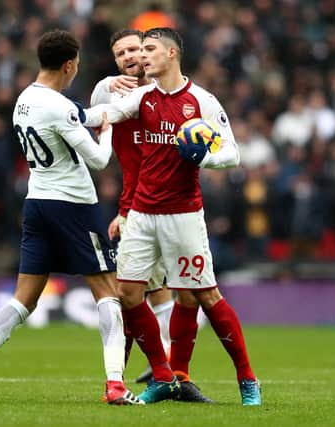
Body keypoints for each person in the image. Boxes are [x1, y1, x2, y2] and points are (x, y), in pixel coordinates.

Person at [0, 29, 143, 406]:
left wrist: (99, 113)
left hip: (36, 202)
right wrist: (108, 130)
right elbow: (100, 160)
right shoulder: (60, 104)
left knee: (24, 298)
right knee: (107, 290)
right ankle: (116, 384)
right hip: (73, 204)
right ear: (70, 65)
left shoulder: (24, 100)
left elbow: (74, 118)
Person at [84, 27, 262, 406]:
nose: (142, 56)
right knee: (129, 294)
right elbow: (106, 113)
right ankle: (164, 376)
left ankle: (247, 378)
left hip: (183, 214)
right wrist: (65, 115)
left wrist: (205, 156)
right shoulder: (143, 97)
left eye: (149, 49)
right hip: (142, 213)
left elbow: (232, 153)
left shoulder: (202, 101)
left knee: (204, 295)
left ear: (171, 54)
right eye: (138, 50)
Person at [90, 29, 212, 403]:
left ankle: (168, 370)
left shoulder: (170, 95)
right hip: (136, 209)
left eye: (137, 49)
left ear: (152, 52)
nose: (130, 57)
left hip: (175, 207)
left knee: (181, 295)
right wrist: (105, 84)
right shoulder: (115, 94)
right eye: (122, 53)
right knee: (135, 294)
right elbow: (94, 111)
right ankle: (151, 373)